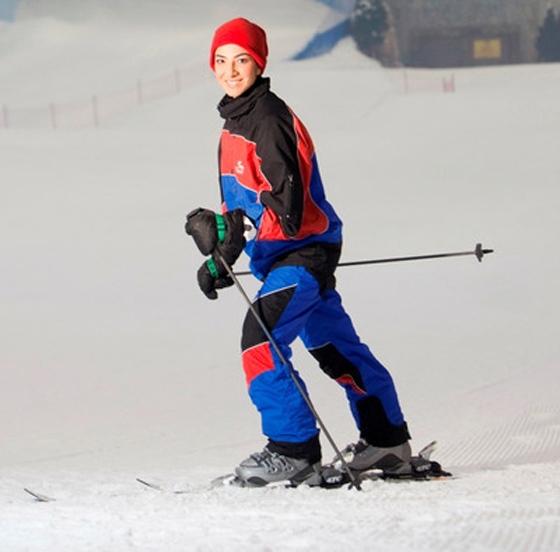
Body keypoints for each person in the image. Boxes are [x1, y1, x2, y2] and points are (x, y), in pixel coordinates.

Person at [185, 17, 411, 487]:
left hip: (303, 252)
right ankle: (386, 440)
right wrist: (220, 255)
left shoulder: (268, 121)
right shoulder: (232, 128)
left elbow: (287, 211)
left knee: (261, 338)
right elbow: (240, 207)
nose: (230, 70)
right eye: (221, 60)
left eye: (241, 60)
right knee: (336, 348)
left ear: (259, 63)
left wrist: (227, 229)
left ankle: (293, 452)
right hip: (281, 257)